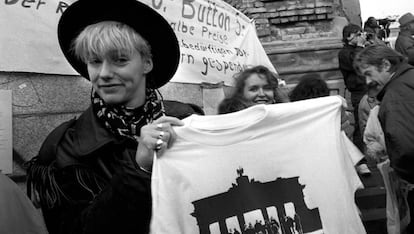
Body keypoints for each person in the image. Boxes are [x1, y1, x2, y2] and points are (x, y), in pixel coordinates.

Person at [24, 0, 196, 233]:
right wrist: (139, 169)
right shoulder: (66, 147)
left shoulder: (186, 119)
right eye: (95, 61)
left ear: (146, 63)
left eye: (120, 60)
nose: (104, 73)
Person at [354, 44, 414, 232]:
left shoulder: (396, 94)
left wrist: (406, 177)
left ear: (386, 65)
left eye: (369, 73)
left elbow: (405, 147)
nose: (367, 81)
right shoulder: (409, 79)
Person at [338, 24, 368, 153]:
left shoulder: (360, 49)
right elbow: (357, 64)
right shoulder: (344, 53)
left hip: (369, 88)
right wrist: (361, 47)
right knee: (360, 125)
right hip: (358, 91)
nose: (361, 36)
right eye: (358, 34)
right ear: (349, 36)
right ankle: (361, 159)